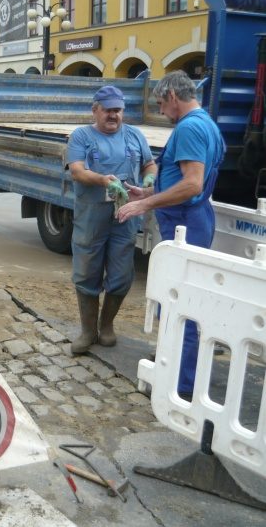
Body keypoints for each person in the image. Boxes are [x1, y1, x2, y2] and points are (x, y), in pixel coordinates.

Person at [117, 70, 225, 400]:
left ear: (173, 98)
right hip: (193, 217)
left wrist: (146, 203)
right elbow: (188, 182)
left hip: (185, 223)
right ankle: (174, 365)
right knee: (180, 302)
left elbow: (192, 183)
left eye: (162, 104)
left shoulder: (190, 127)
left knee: (181, 306)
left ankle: (180, 385)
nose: (162, 111)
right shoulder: (206, 122)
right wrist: (146, 193)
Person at [67, 85, 156, 354]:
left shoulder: (134, 135)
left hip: (124, 217)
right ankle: (87, 330)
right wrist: (103, 180)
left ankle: (106, 326)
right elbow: (77, 171)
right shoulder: (81, 136)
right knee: (86, 272)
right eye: (108, 110)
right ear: (95, 110)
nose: (113, 115)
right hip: (91, 216)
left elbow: (149, 164)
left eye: (117, 110)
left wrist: (150, 178)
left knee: (121, 275)